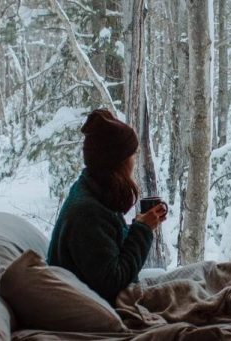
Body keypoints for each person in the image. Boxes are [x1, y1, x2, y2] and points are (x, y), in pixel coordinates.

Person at [47, 109, 168, 304]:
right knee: (202, 280)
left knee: (204, 273)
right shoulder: (87, 213)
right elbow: (113, 281)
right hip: (94, 306)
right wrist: (142, 230)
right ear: (118, 161)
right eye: (132, 155)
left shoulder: (92, 190)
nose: (134, 161)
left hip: (101, 295)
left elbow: (103, 247)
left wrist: (137, 226)